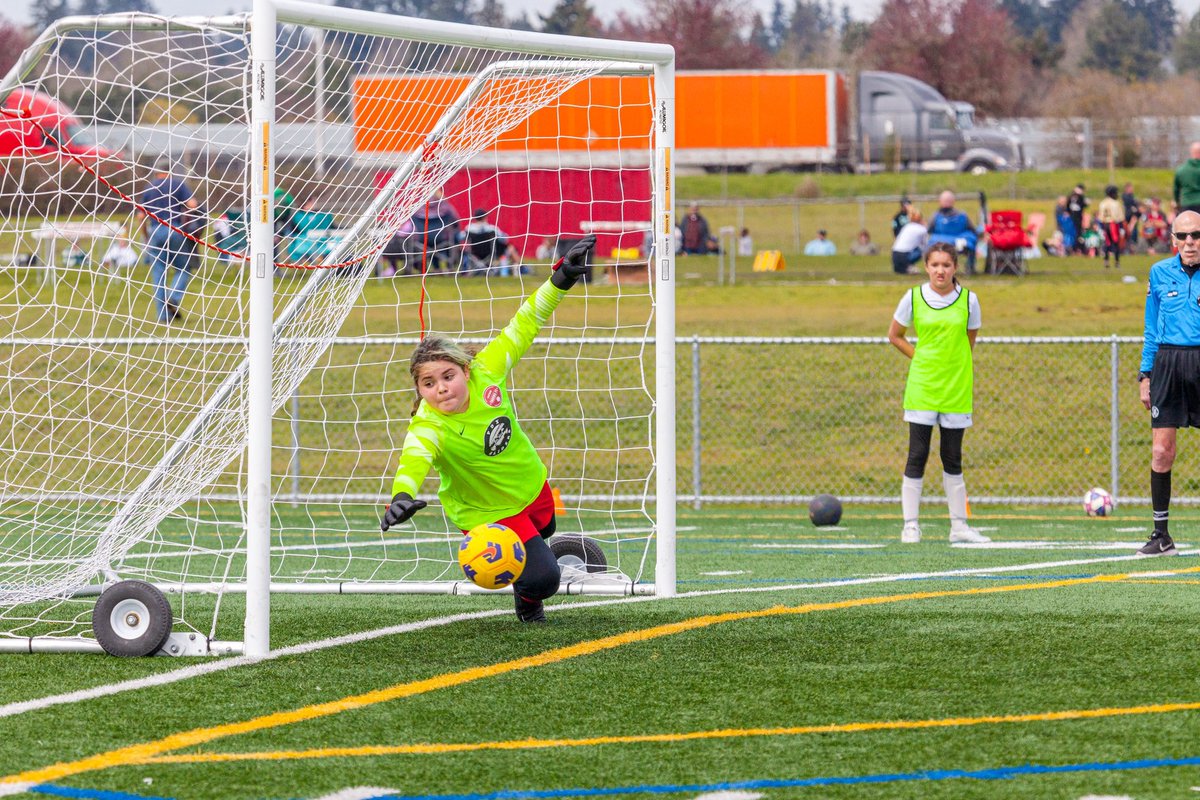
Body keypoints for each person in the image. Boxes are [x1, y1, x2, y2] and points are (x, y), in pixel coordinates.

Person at [380, 235, 598, 622]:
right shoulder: (429, 425)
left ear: (465, 370)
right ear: (419, 389)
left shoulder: (487, 371)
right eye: (428, 383)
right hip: (486, 512)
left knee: (546, 528)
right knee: (544, 579)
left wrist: (560, 279)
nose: (441, 388)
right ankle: (528, 601)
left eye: (447, 376)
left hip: (531, 485)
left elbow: (525, 323)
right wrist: (401, 495)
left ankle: (532, 558)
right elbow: (413, 459)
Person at [886, 242, 988, 545]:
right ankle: (911, 526)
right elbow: (895, 335)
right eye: (934, 265)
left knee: (952, 457)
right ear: (926, 267)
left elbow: (968, 341)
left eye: (946, 265)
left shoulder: (969, 301)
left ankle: (959, 526)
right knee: (917, 454)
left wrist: (952, 366)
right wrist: (919, 357)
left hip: (956, 388)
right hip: (923, 387)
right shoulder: (914, 297)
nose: (940, 271)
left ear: (955, 267)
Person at [1135, 210, 1200, 557]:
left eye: (1196, 235)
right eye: (1183, 236)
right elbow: (1150, 328)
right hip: (1168, 363)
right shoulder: (1159, 273)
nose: (1190, 242)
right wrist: (1145, 374)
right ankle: (1161, 535)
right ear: (1173, 239)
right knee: (1162, 451)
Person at [137, 155, 199, 323]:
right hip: (175, 229)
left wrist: (146, 235)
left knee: (158, 273)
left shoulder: (149, 188)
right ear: (169, 171)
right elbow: (193, 205)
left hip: (155, 230)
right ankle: (173, 297)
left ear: (156, 171)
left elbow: (140, 216)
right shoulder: (177, 184)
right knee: (183, 268)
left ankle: (163, 315)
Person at [927, 191, 978, 273]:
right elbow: (973, 230)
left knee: (971, 238)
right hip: (956, 245)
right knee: (971, 239)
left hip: (943, 246)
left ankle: (970, 267)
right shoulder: (962, 215)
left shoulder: (936, 216)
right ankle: (970, 267)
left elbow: (928, 230)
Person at [460, 208, 521, 276]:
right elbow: (505, 239)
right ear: (485, 217)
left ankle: (465, 269)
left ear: (475, 218)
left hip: (474, 254)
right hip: (491, 253)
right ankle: (520, 268)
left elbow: (460, 237)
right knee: (510, 248)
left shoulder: (468, 228)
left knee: (463, 249)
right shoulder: (492, 229)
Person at [1096, 184, 1125, 269]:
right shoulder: (1115, 203)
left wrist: (1101, 227)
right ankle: (1117, 262)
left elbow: (1100, 217)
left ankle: (1106, 261)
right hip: (1113, 224)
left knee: (1107, 243)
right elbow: (1120, 217)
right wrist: (1121, 228)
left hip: (1105, 224)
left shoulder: (1102, 203)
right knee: (1115, 243)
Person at [891, 209, 927, 274]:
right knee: (923, 249)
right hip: (904, 256)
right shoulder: (921, 229)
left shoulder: (906, 226)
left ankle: (904, 268)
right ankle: (909, 266)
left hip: (894, 254)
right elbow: (926, 243)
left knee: (899, 270)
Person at [1174, 141, 1200, 216]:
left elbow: (1176, 190)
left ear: (1191, 152)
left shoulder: (1181, 170)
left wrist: (1177, 202)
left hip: (1186, 204)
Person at [1067, 184, 1088, 253]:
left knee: (1078, 233)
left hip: (1075, 218)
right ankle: (1076, 248)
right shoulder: (1077, 197)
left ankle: (1077, 248)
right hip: (1075, 219)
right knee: (1077, 233)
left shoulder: (1073, 196)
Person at [1123, 182, 1140, 251]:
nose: (1132, 190)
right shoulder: (1126, 197)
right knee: (1129, 233)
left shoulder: (1131, 196)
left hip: (1133, 218)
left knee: (1134, 233)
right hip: (1128, 219)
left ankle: (1133, 246)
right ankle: (1129, 248)